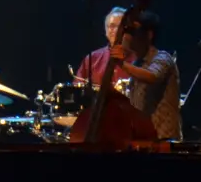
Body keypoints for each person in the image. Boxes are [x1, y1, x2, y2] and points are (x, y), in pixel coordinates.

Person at [75, 9, 179, 139]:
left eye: (133, 33)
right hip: (144, 136)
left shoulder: (163, 57)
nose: (126, 37)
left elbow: (152, 76)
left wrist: (121, 63)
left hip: (163, 138)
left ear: (148, 35)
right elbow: (134, 105)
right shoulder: (136, 63)